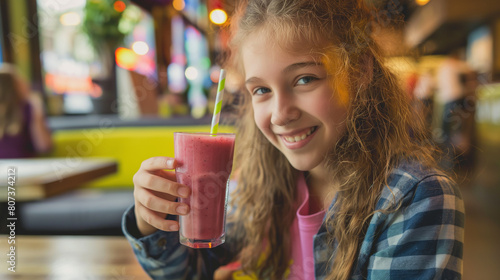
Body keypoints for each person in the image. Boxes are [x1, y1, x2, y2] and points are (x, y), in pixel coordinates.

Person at [122, 0, 464, 279]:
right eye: (261, 90)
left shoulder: (414, 198)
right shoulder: (256, 187)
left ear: (359, 73)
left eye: (304, 79)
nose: (280, 113)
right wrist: (150, 221)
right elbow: (189, 274)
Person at [0, 64, 52, 158]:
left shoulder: (28, 108)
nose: (27, 83)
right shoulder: (28, 108)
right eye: (20, 81)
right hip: (21, 168)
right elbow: (44, 146)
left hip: (18, 169)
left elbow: (44, 146)